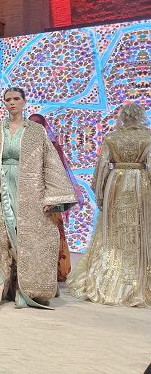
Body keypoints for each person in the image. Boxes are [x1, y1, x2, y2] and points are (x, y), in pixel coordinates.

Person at [0, 87, 76, 308]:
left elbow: (50, 163)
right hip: (2, 189)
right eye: (8, 100)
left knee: (27, 238)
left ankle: (24, 286)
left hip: (31, 191)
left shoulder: (37, 132)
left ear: (24, 101)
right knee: (0, 235)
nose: (12, 103)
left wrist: (52, 196)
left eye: (16, 99)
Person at [67, 103, 150, 307]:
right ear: (140, 117)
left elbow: (102, 166)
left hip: (116, 183)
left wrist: (100, 193)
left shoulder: (111, 138)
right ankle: (137, 281)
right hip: (140, 183)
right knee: (138, 230)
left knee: (114, 231)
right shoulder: (147, 137)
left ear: (122, 117)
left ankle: (109, 278)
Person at [28, 113, 83, 282]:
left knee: (52, 229)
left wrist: (54, 196)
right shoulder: (22, 145)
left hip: (48, 194)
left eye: (38, 124)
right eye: (31, 123)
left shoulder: (51, 146)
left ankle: (54, 269)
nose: (34, 127)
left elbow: (59, 173)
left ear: (44, 126)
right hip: (28, 193)